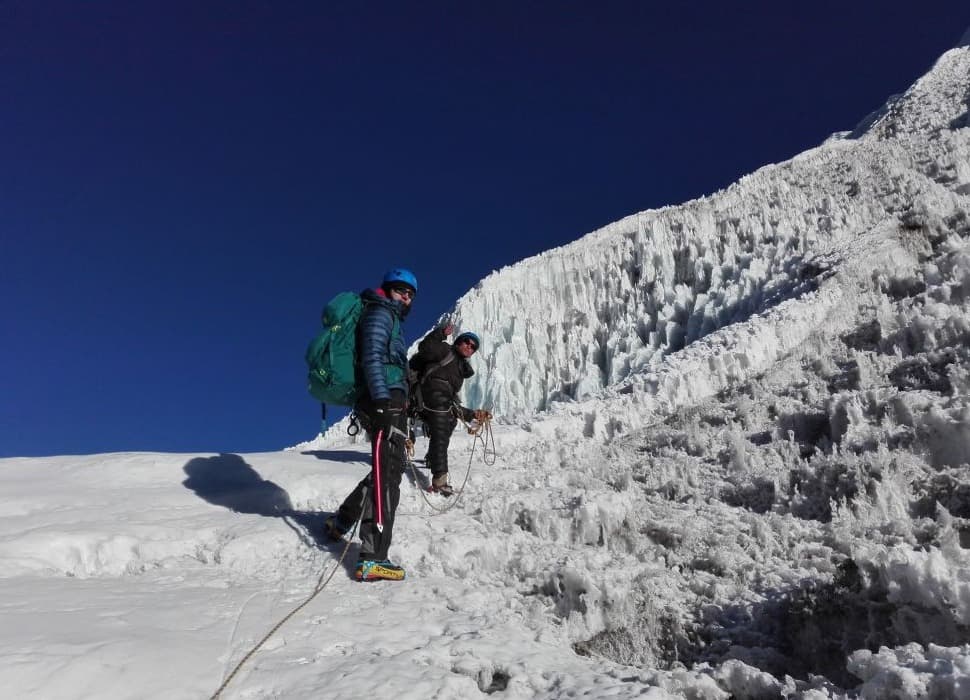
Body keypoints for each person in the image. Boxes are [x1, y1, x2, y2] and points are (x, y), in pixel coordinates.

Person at [323, 268, 417, 582]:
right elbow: (372, 356)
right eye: (401, 290)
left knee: (386, 467)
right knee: (387, 477)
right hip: (384, 400)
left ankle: (341, 522)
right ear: (387, 289)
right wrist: (380, 400)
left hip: (388, 400)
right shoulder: (380, 314)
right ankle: (372, 557)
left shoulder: (387, 316)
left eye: (410, 294)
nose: (406, 297)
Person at [410, 323, 491, 496]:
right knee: (441, 426)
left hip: (441, 401)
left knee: (449, 421)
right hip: (427, 395)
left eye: (473, 347)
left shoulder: (460, 369)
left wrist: (471, 414)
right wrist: (440, 333)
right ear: (459, 342)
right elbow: (425, 348)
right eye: (467, 342)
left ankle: (433, 458)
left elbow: (450, 401)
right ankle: (440, 480)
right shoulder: (445, 350)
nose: (469, 347)